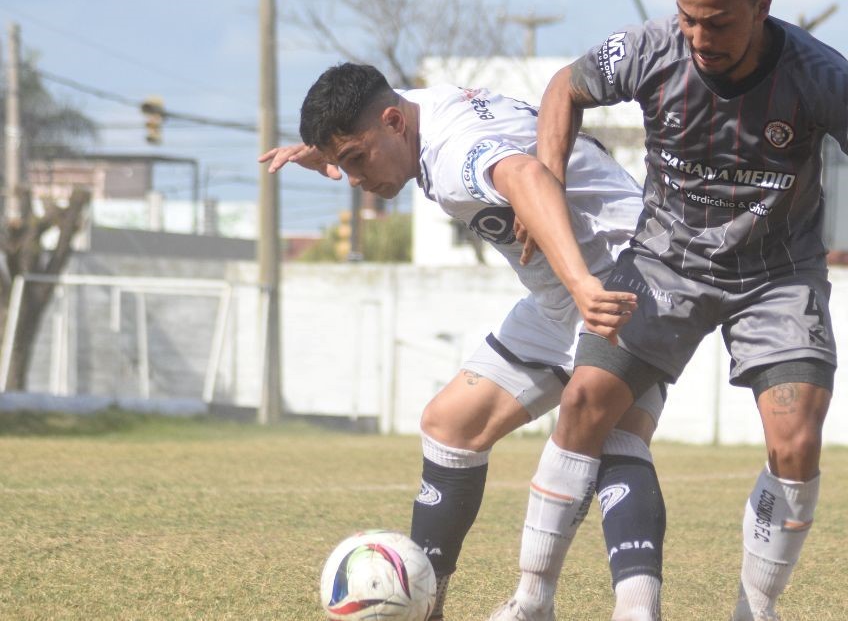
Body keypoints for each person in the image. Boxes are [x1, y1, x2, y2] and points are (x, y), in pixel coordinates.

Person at [490, 0, 848, 620]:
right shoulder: (649, 49)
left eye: (718, 21)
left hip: (777, 277)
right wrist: (546, 176)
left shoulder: (819, 74)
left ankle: (755, 608)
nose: (698, 36)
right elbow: (566, 87)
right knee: (584, 401)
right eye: (687, 17)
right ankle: (532, 597)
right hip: (664, 263)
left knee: (796, 441)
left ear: (762, 8)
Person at [259, 62, 671, 621]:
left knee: (611, 435)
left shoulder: (453, 154)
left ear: (392, 123)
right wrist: (329, 151)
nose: (354, 179)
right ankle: (428, 606)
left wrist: (582, 285)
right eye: (342, 164)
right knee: (450, 426)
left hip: (626, 277)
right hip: (559, 300)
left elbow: (525, 175)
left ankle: (633, 610)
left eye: (355, 159)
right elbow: (385, 118)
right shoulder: (415, 111)